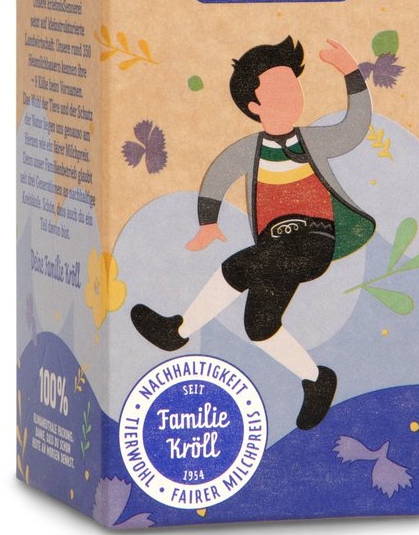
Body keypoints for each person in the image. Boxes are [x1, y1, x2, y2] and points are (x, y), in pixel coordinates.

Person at [131, 35, 375, 429]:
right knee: (259, 326)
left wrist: (350, 73)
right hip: (275, 246)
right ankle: (316, 380)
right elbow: (217, 176)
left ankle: (178, 331)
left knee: (239, 266)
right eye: (278, 92)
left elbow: (354, 129)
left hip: (314, 240)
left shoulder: (312, 141)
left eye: (293, 87)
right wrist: (208, 222)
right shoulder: (250, 150)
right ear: (254, 106)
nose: (291, 97)